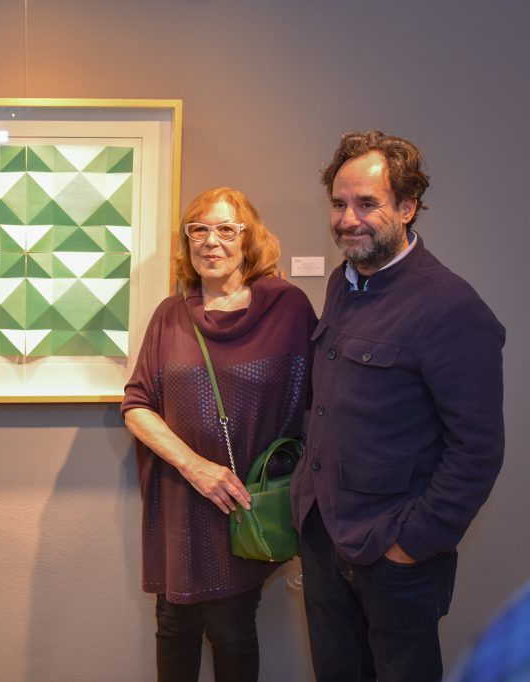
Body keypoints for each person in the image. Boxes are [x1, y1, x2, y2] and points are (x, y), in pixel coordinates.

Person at [291, 130, 506, 682]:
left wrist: (411, 545)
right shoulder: (343, 283)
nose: (348, 219)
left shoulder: (451, 307)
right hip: (324, 536)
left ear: (408, 207)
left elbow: (478, 450)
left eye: (367, 203)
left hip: (394, 552)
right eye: (339, 204)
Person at [123, 187, 316, 681]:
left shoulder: (287, 309)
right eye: (199, 229)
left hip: (245, 501)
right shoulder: (170, 315)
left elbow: (320, 397)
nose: (211, 241)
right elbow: (137, 405)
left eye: (227, 229)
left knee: (231, 628)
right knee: (174, 624)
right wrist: (195, 467)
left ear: (249, 239)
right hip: (180, 497)